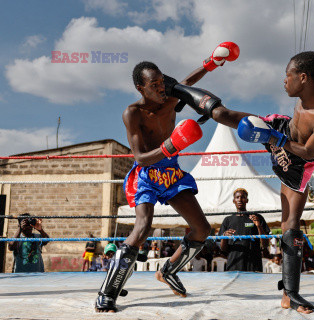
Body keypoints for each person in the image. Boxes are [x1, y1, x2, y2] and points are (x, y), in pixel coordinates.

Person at [172, 22, 314, 313]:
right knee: (225, 114)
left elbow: (309, 151)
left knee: (291, 228)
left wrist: (272, 139)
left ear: (302, 78)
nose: (283, 82)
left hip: (297, 161)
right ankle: (180, 90)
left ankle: (291, 293)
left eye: (287, 76)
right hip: (283, 129)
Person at [94, 41, 240, 313]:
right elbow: (138, 157)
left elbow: (188, 83)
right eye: (154, 85)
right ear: (141, 88)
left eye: (162, 82)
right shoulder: (133, 113)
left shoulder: (171, 98)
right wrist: (171, 145)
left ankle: (169, 270)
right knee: (142, 228)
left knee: (202, 229)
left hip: (171, 172)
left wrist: (211, 63)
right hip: (147, 173)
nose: (161, 88)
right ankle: (108, 292)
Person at [218, 188, 270, 271]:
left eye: (243, 197)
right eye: (237, 197)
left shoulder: (257, 217)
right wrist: (224, 237)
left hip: (253, 263)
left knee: (253, 284)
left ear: (247, 200)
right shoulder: (228, 220)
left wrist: (258, 226)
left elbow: (265, 244)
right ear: (233, 200)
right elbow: (223, 249)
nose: (240, 200)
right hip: (234, 263)